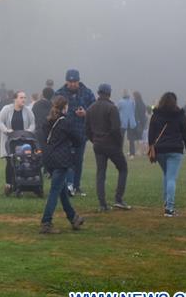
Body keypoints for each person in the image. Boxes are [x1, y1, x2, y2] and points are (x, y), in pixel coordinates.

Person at [39, 95, 86, 234]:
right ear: (65, 107)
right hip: (61, 160)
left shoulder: (48, 121)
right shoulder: (65, 122)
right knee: (55, 191)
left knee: (62, 190)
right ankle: (46, 222)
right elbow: (78, 140)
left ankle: (73, 218)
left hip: (49, 159)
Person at [148, 92, 186, 216]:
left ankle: (166, 202)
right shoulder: (179, 115)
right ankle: (169, 208)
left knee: (167, 175)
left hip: (160, 150)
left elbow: (151, 133)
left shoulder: (156, 115)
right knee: (171, 178)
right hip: (175, 150)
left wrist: (151, 147)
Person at [86, 84, 130, 211]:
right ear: (109, 93)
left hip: (98, 145)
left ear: (98, 93)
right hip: (111, 145)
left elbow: (87, 130)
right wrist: (118, 143)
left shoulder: (90, 109)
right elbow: (116, 129)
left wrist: (94, 140)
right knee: (123, 168)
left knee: (101, 173)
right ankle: (118, 199)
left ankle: (102, 204)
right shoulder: (112, 108)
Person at [56, 69, 96, 197]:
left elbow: (95, 109)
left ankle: (76, 186)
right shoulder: (59, 93)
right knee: (66, 161)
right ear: (66, 81)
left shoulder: (87, 93)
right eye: (70, 81)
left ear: (79, 81)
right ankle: (67, 186)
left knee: (78, 161)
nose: (72, 84)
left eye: (75, 81)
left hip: (80, 133)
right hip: (64, 133)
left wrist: (86, 113)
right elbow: (54, 111)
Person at [0, 91, 36, 195]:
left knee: (23, 162)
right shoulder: (6, 109)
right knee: (10, 162)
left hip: (23, 141)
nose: (24, 99)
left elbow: (32, 123)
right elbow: (0, 122)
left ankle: (20, 185)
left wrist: (29, 131)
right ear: (15, 99)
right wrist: (6, 130)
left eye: (25, 97)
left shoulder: (28, 110)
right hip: (10, 141)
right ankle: (9, 184)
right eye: (21, 97)